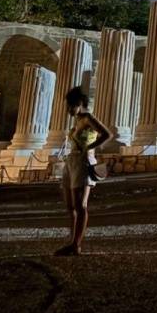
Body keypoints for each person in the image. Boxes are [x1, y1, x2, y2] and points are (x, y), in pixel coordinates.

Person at [56, 87, 111, 255]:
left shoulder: (88, 118)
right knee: (70, 206)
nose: (68, 110)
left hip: (83, 162)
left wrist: (89, 147)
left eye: (70, 106)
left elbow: (106, 134)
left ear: (79, 103)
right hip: (71, 162)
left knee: (80, 205)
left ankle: (76, 244)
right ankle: (71, 241)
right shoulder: (77, 121)